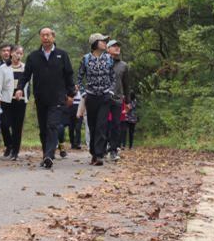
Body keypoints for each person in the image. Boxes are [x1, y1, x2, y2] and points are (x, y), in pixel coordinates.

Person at [14, 27, 74, 169]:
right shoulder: (33, 56)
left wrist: (71, 94)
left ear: (53, 36)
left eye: (48, 35)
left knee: (52, 125)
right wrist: (19, 88)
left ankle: (49, 156)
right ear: (40, 37)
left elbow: (69, 75)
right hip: (40, 98)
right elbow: (26, 75)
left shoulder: (62, 54)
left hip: (57, 98)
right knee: (43, 129)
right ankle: (46, 155)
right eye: (42, 35)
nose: (45, 37)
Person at [77, 33, 116, 166]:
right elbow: (79, 78)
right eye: (102, 41)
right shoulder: (86, 58)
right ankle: (94, 152)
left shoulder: (109, 59)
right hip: (91, 96)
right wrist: (84, 94)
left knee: (101, 125)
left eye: (106, 41)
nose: (105, 43)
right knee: (93, 126)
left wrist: (110, 92)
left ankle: (99, 155)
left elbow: (113, 77)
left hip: (105, 96)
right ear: (95, 43)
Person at [0, 45, 27, 159]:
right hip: (6, 100)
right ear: (11, 54)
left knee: (17, 127)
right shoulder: (3, 68)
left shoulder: (25, 67)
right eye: (16, 53)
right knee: (4, 125)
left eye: (21, 53)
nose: (19, 56)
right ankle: (9, 144)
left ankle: (15, 152)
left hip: (21, 101)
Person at [106, 39, 131, 161]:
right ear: (107, 49)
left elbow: (126, 85)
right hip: (103, 98)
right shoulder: (101, 62)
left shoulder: (123, 65)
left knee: (116, 126)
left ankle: (113, 150)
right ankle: (102, 149)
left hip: (117, 99)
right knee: (103, 125)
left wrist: (127, 102)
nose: (117, 48)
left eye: (118, 46)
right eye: (114, 46)